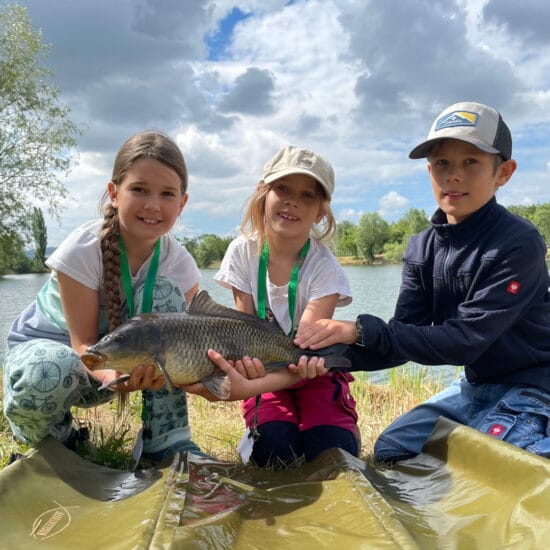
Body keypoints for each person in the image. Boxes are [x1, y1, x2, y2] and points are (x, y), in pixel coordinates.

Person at [2, 130, 330, 462]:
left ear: (182, 202)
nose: (153, 205)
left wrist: (216, 374)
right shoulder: (81, 249)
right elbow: (84, 346)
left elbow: (195, 341)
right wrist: (116, 379)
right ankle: (53, 442)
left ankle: (167, 440)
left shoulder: (179, 263)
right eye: (139, 190)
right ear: (114, 193)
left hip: (127, 365)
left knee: (171, 322)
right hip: (62, 363)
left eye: (167, 194)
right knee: (48, 369)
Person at [294, 101, 550, 463]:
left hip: (534, 387)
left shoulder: (518, 242)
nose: (453, 176)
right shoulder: (421, 247)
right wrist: (324, 357)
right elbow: (401, 340)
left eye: (471, 162)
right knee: (391, 450)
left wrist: (357, 330)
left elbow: (464, 341)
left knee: (498, 466)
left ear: (503, 173)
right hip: (474, 387)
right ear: (429, 170)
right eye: (442, 163)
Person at [214, 145, 359, 467]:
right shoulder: (241, 252)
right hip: (264, 372)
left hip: (313, 371)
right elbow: (245, 330)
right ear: (263, 193)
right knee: (276, 451)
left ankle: (335, 421)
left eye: (308, 195)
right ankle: (260, 430)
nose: (293, 201)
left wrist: (301, 364)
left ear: (321, 211)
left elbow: (306, 350)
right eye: (283, 189)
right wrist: (248, 374)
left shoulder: (325, 267)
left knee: (333, 453)